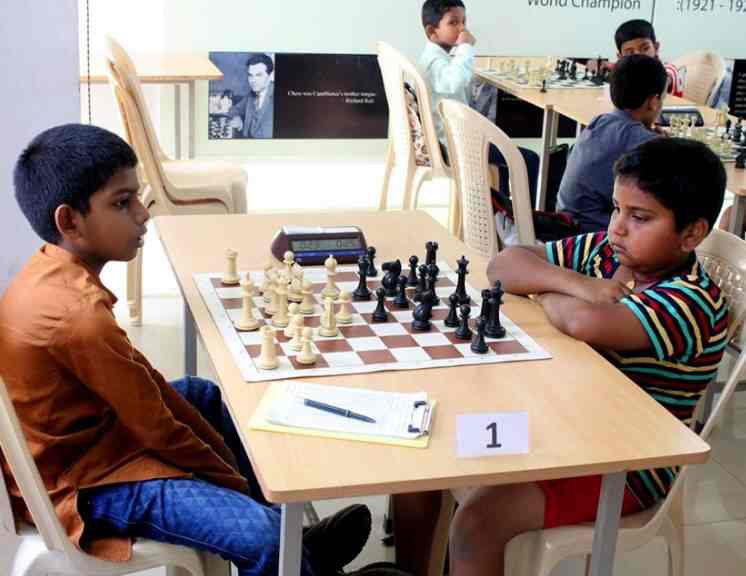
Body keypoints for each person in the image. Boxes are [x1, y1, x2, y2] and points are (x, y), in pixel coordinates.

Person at [0, 123, 409, 576]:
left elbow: (148, 390)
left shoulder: (50, 272)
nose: (142, 214)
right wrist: (231, 482)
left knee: (201, 394)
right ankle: (282, 543)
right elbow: (156, 428)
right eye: (122, 202)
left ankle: (296, 551)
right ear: (69, 221)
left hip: (92, 438)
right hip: (88, 484)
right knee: (260, 536)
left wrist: (227, 474)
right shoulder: (78, 316)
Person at [394, 137, 728, 576]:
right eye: (616, 209)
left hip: (629, 462)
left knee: (477, 524)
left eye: (640, 217)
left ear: (692, 234)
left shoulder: (692, 302)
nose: (617, 228)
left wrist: (546, 289)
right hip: (562, 423)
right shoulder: (604, 255)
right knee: (423, 457)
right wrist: (577, 284)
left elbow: (584, 323)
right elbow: (504, 265)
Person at [417, 0, 540, 203]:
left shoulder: (435, 58)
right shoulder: (435, 62)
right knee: (529, 159)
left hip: (455, 140)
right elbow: (455, 81)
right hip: (456, 145)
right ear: (432, 32)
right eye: (453, 22)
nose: (462, 28)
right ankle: (526, 216)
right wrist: (465, 47)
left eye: (463, 21)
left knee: (507, 157)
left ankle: (505, 213)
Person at [556, 54, 665, 233]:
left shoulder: (599, 121)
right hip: (594, 233)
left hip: (565, 222)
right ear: (653, 102)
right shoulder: (643, 140)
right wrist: (661, 140)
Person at [614, 19, 685, 98]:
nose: (639, 55)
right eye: (630, 52)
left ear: (656, 47)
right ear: (620, 57)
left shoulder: (668, 69)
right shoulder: (624, 74)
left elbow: (666, 78)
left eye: (645, 48)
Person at [229, 53, 275, 139]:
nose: (253, 80)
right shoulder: (251, 94)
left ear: (270, 76)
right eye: (250, 75)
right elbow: (234, 109)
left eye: (258, 75)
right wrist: (237, 117)